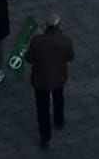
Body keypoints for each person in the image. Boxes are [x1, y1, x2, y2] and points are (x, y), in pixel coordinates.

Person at [27, 16, 74, 148]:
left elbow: (29, 59)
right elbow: (70, 57)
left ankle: (45, 137)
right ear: (59, 26)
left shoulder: (37, 41)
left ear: (46, 26)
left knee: (42, 109)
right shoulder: (65, 40)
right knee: (59, 98)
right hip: (59, 77)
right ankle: (58, 121)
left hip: (40, 79)